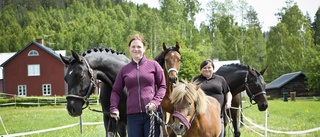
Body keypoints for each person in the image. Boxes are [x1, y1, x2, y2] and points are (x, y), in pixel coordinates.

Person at [110, 34, 166, 137]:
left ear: (144, 49)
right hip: (132, 116)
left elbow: (162, 87)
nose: (136, 49)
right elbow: (116, 91)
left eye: (139, 47)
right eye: (133, 47)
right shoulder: (124, 70)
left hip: (152, 114)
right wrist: (114, 108)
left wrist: (155, 102)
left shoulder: (154, 65)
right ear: (129, 49)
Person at [192, 59, 232, 137]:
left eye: (209, 67)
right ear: (201, 69)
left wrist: (229, 102)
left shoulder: (220, 79)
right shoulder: (195, 80)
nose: (207, 69)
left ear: (213, 69)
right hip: (200, 116)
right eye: (204, 68)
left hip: (217, 115)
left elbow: (228, 92)